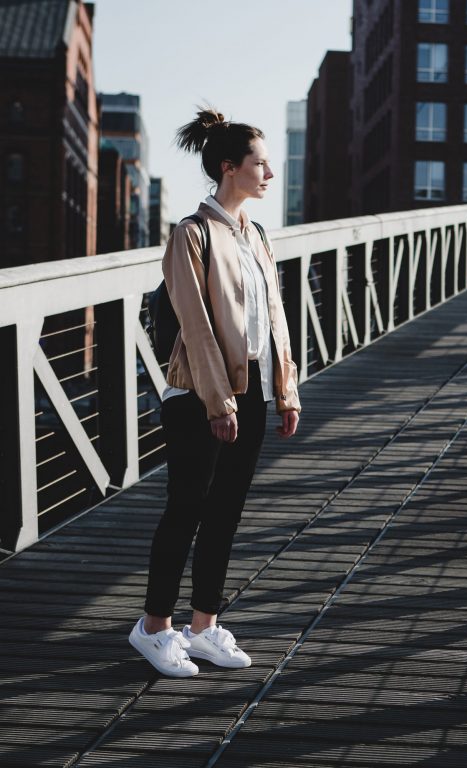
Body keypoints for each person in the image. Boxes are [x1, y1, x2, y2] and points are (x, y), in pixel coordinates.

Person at [129, 108, 301, 677]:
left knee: (225, 513)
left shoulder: (256, 236)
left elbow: (274, 315)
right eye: (260, 163)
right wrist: (217, 401)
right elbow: (197, 325)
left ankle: (203, 626)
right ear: (230, 168)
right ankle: (154, 628)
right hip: (199, 393)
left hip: (249, 393)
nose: (269, 172)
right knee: (186, 508)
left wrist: (287, 388)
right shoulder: (191, 234)